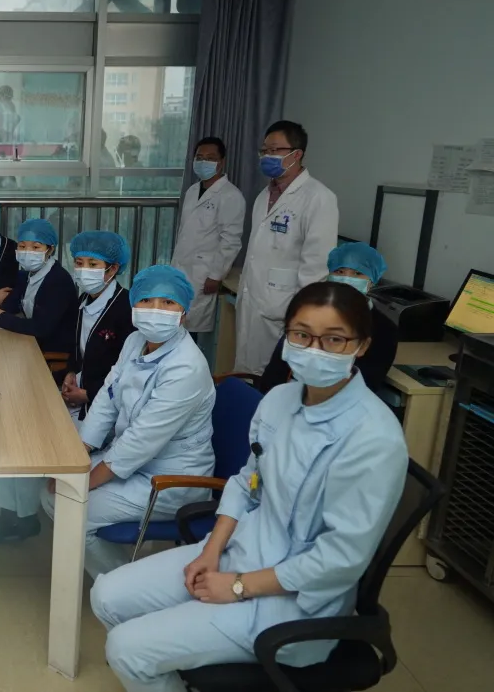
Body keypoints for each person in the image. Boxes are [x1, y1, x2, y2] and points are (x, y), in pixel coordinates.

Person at [90, 281, 408, 692]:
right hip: (238, 552)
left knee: (126, 648)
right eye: (301, 335)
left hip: (292, 603)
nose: (314, 349)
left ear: (361, 346)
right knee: (106, 595)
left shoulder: (373, 437)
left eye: (334, 339)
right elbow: (245, 482)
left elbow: (339, 559)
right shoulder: (279, 401)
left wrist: (239, 586)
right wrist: (210, 551)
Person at [41, 265, 216, 579]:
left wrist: (84, 480)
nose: (155, 310)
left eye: (168, 303)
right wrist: (80, 451)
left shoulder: (186, 367)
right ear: (134, 305)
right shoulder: (135, 341)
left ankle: (123, 586)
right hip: (132, 461)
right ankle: (118, 575)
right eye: (146, 300)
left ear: (184, 313)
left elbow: (140, 442)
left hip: (171, 479)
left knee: (69, 504)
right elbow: (108, 398)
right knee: (53, 492)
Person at [235, 120, 339, 375]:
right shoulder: (263, 196)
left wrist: (301, 320)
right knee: (247, 374)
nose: (267, 156)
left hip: (283, 309)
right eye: (264, 151)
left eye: (275, 150)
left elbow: (316, 268)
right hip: (253, 300)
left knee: (273, 379)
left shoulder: (319, 198)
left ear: (297, 154)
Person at [260, 242, 397, 393]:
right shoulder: (308, 312)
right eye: (340, 271)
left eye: (357, 273)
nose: (346, 278)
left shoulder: (384, 329)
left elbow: (368, 381)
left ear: (372, 281)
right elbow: (277, 367)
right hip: (287, 392)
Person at [169, 136, 246, 339]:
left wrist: (215, 275)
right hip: (182, 266)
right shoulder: (192, 190)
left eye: (210, 158)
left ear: (221, 162)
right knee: (176, 321)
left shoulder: (231, 196)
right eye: (199, 157)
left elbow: (231, 240)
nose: (203, 162)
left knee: (192, 327)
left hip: (203, 272)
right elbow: (185, 232)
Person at [61, 230, 136, 425]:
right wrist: (71, 372)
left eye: (93, 264)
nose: (84, 270)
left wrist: (88, 394)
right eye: (79, 263)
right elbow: (77, 348)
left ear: (112, 269)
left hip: (107, 402)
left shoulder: (126, 308)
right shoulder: (84, 300)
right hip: (79, 390)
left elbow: (128, 371)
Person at [0, 218, 78, 359]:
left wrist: (1, 318)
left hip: (51, 347)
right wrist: (0, 311)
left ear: (50, 250)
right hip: (30, 339)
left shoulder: (58, 280)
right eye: (22, 246)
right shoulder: (25, 275)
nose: (27, 252)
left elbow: (41, 327)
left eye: (36, 247)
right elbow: (11, 303)